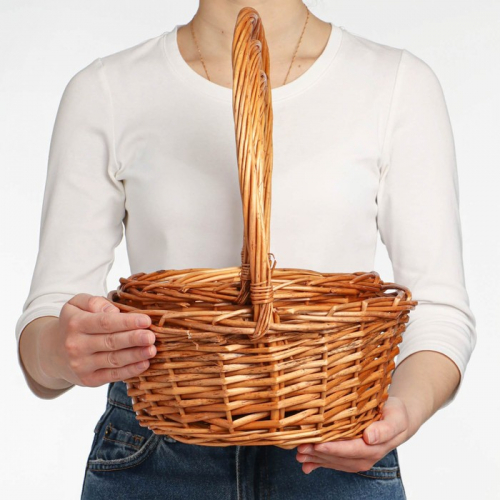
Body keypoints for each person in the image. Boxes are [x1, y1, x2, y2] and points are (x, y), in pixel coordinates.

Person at [16, 0, 477, 498]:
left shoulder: (396, 83)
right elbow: (49, 320)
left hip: (336, 444)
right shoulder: (106, 90)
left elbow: (438, 309)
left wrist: (402, 409)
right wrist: (65, 351)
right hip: (157, 449)